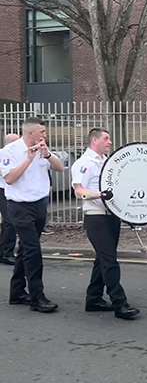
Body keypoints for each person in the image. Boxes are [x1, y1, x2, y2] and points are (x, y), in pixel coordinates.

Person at [70, 128, 139, 320]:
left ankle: (93, 299)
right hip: (96, 217)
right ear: (95, 140)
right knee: (109, 261)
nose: (109, 142)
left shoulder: (106, 162)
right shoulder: (84, 163)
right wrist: (98, 194)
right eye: (106, 138)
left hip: (110, 216)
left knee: (102, 259)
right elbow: (79, 191)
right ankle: (120, 303)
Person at [1, 117, 64, 313]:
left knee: (26, 250)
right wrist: (28, 159)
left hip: (39, 205)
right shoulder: (8, 152)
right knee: (33, 250)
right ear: (30, 133)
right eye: (42, 132)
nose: (45, 135)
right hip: (19, 207)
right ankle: (38, 297)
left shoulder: (43, 150)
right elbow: (10, 179)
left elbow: (60, 167)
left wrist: (47, 155)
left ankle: (17, 292)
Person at [0, 133, 20, 265]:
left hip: (11, 190)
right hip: (3, 189)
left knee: (9, 222)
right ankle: (6, 253)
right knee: (10, 222)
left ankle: (4, 251)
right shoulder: (3, 154)